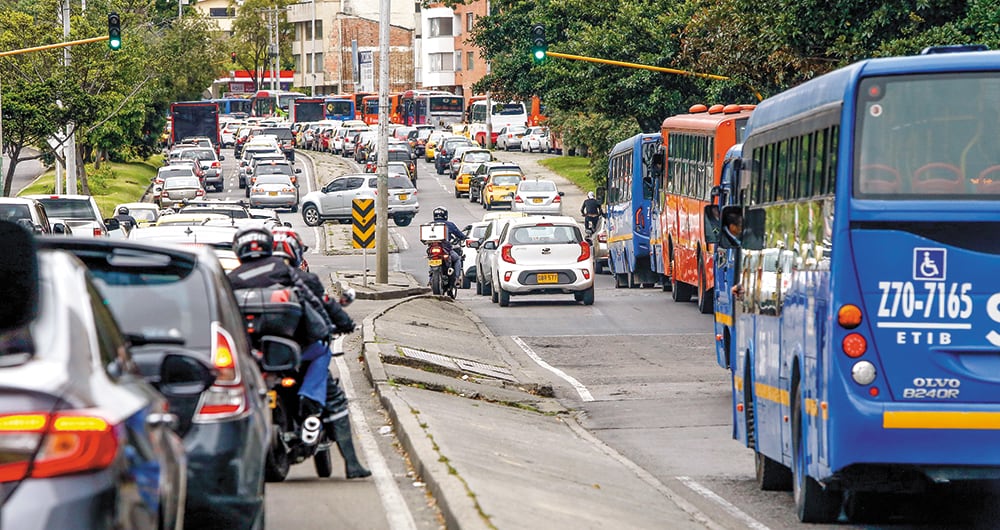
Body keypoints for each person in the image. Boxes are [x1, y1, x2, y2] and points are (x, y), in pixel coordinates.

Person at [229, 227, 370, 478]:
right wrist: (336, 325)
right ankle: (352, 464)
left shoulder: (231, 280)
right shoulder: (290, 274)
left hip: (253, 356)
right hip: (298, 353)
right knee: (334, 397)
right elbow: (319, 304)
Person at [432, 207, 467, 285]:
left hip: (433, 251)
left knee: (431, 260)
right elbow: (459, 234)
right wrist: (464, 237)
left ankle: (430, 279)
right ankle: (457, 279)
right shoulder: (449, 224)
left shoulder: (430, 225)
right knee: (457, 259)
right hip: (446, 249)